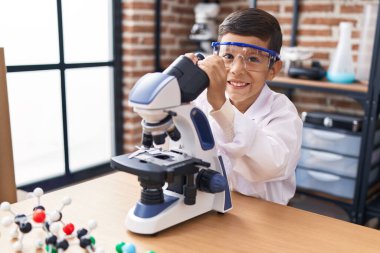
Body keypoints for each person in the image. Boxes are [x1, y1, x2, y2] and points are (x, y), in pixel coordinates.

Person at [186, 8, 303, 205]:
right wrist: (176, 86)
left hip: (266, 214)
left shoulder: (283, 112)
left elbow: (269, 166)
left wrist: (221, 106)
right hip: (208, 203)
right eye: (228, 56)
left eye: (253, 59)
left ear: (273, 69)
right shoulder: (201, 100)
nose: (237, 70)